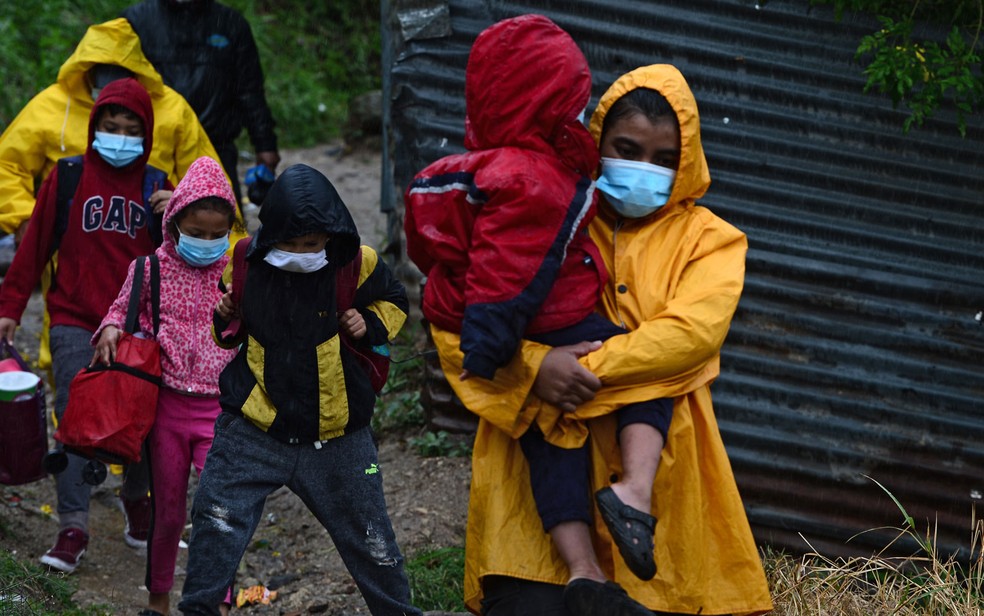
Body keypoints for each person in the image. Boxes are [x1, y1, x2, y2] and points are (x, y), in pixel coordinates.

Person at [424, 65, 774, 615]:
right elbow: (453, 326)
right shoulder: (539, 212)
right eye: (626, 148)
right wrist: (537, 366)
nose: (643, 170)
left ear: (687, 162)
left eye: (664, 160)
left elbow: (690, 338)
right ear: (596, 141)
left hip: (666, 491)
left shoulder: (711, 240)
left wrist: (572, 370)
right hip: (532, 511)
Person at [403, 13, 669, 598]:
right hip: (544, 337)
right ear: (545, 105)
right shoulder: (539, 179)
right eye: (574, 109)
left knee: (551, 439)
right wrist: (509, 357)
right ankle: (632, 498)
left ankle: (583, 570)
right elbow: (504, 272)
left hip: (526, 351)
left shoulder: (481, 173)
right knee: (647, 390)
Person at [177, 163, 420, 616]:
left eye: (311, 244)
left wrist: (368, 323)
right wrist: (226, 310)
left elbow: (396, 301)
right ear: (271, 236)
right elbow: (229, 332)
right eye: (288, 243)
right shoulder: (245, 259)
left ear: (332, 234)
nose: (300, 252)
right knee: (213, 527)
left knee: (372, 541)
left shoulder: (357, 261)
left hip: (338, 434)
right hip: (253, 426)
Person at [0, 78, 174, 574]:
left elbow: (175, 262)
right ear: (94, 127)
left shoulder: (155, 185)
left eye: (130, 129)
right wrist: (11, 305)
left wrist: (172, 216)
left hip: (139, 326)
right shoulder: (69, 176)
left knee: (141, 414)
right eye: (109, 126)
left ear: (147, 133)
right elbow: (34, 245)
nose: (118, 137)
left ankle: (137, 500)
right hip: (75, 319)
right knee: (77, 418)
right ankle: (72, 525)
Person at [92, 156, 238, 616]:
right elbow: (120, 310)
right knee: (169, 511)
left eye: (218, 234)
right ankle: (158, 601)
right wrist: (112, 330)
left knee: (218, 509)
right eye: (198, 232)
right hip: (167, 408)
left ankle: (216, 597)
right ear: (175, 223)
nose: (208, 242)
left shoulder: (237, 271)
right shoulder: (150, 269)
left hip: (221, 408)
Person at [0, 17, 228, 241]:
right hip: (67, 257)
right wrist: (24, 217)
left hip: (154, 254)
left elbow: (210, 183)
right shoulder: (51, 105)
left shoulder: (172, 109)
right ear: (87, 69)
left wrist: (228, 262)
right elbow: (6, 165)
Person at [123, 0, 281, 206]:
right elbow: (119, 87)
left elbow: (249, 90)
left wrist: (265, 144)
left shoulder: (231, 24)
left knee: (221, 226)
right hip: (155, 149)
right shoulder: (135, 20)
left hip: (215, 147)